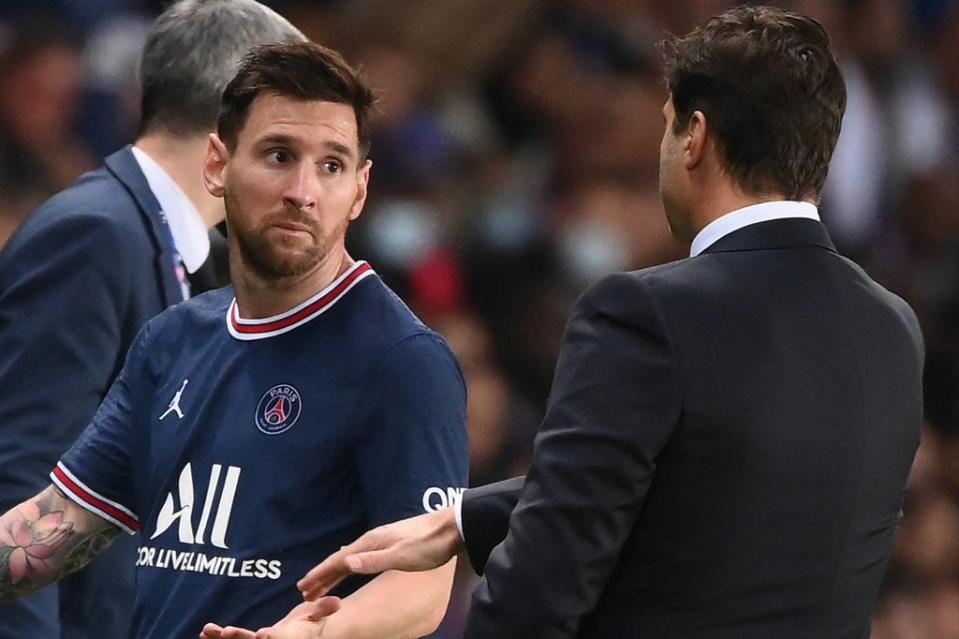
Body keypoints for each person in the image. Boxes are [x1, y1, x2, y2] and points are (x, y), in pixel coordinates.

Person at [296, 6, 925, 639]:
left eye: (665, 126)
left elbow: (541, 586)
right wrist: (464, 519)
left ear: (695, 136)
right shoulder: (893, 330)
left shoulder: (648, 314)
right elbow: (723, 490)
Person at [0, 41, 468, 638]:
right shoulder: (171, 341)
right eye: (279, 155)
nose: (304, 190)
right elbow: (58, 525)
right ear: (218, 164)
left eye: (331, 165)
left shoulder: (402, 359)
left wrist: (313, 633)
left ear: (360, 188)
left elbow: (423, 583)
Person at [0, 3, 308, 637]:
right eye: (291, 136)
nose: (305, 178)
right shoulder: (95, 234)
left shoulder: (191, 255)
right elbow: (23, 475)